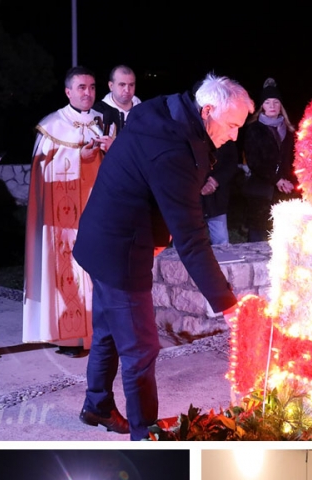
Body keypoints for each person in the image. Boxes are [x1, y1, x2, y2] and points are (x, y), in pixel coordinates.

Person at [73, 74, 252, 440]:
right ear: (207, 111)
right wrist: (228, 304)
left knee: (108, 330)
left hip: (101, 238)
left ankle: (97, 405)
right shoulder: (172, 150)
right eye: (232, 125)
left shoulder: (168, 114)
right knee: (141, 348)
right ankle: (146, 435)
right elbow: (192, 239)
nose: (234, 135)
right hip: (119, 251)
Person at [23, 66, 105, 358]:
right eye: (82, 87)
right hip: (64, 218)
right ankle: (69, 338)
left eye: (92, 87)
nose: (88, 93)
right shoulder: (52, 125)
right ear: (68, 92)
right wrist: (77, 155)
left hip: (94, 211)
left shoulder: (100, 122)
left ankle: (98, 334)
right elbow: (42, 172)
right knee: (68, 273)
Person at [242, 78, 297, 242]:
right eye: (267, 102)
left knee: (283, 238)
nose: (272, 106)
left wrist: (290, 181)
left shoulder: (289, 130)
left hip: (284, 192)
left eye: (275, 102)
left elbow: (293, 159)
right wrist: (277, 179)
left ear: (281, 106)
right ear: (262, 107)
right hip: (260, 193)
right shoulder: (254, 129)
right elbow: (254, 161)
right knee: (258, 238)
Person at [202, 138, 239, 246]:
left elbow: (231, 163)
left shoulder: (225, 136)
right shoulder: (188, 132)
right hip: (190, 198)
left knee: (221, 241)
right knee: (186, 242)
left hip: (216, 199)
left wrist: (215, 180)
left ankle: (222, 263)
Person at [93, 65, 141, 140]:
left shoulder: (144, 110)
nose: (127, 90)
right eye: (122, 85)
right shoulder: (97, 112)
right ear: (111, 86)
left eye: (131, 85)